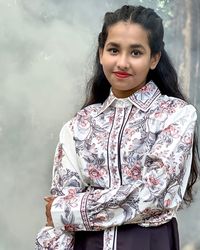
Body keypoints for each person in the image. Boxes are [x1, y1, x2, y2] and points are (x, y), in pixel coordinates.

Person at [35, 5, 199, 250]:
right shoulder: (80, 124)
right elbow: (58, 223)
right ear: (101, 53)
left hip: (150, 244)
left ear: (154, 58)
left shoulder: (176, 115)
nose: (122, 62)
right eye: (113, 50)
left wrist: (66, 209)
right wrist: (60, 217)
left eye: (135, 52)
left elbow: (154, 195)